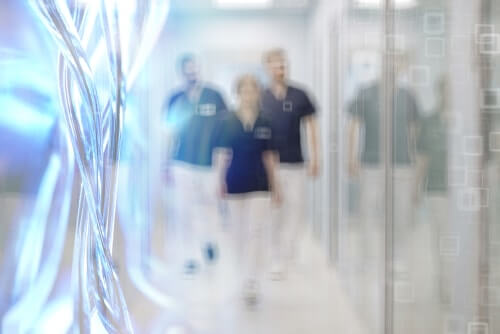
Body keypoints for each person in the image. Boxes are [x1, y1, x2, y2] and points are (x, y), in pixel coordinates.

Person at [347, 55, 420, 273]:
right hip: (371, 163)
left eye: (397, 63)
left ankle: (398, 258)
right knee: (368, 210)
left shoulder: (407, 96)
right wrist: (351, 157)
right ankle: (368, 257)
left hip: (402, 163)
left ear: (401, 68)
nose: (393, 67)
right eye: (389, 63)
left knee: (401, 212)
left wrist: (415, 158)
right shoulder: (366, 92)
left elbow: (414, 130)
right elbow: (353, 125)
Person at [215, 74, 280, 307]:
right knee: (237, 232)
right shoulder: (226, 121)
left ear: (258, 94)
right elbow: (222, 155)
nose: (249, 95)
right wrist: (218, 182)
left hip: (260, 184)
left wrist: (276, 186)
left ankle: (251, 281)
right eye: (245, 90)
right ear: (238, 93)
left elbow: (270, 157)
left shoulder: (266, 121)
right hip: (234, 182)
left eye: (253, 90)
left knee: (256, 231)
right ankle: (242, 274)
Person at [164, 54, 228, 275]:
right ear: (181, 72)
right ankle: (190, 255)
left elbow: (224, 132)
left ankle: (209, 242)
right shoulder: (175, 99)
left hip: (208, 163)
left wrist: (223, 167)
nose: (191, 73)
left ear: (199, 70)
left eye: (194, 69)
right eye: (187, 70)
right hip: (181, 162)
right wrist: (166, 163)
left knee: (208, 206)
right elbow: (170, 134)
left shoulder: (215, 96)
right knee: (183, 209)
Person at [260, 48, 320, 279]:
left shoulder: (300, 95)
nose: (280, 69)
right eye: (275, 65)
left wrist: (316, 157)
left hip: (295, 162)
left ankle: (289, 249)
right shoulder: (262, 96)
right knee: (274, 210)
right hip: (268, 164)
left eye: (283, 65)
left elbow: (311, 127)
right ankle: (276, 256)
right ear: (267, 68)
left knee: (296, 208)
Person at [416, 77, 452, 303]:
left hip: (463, 195)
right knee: (443, 239)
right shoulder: (429, 121)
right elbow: (422, 157)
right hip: (437, 190)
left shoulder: (470, 120)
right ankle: (446, 286)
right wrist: (416, 187)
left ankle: (457, 284)